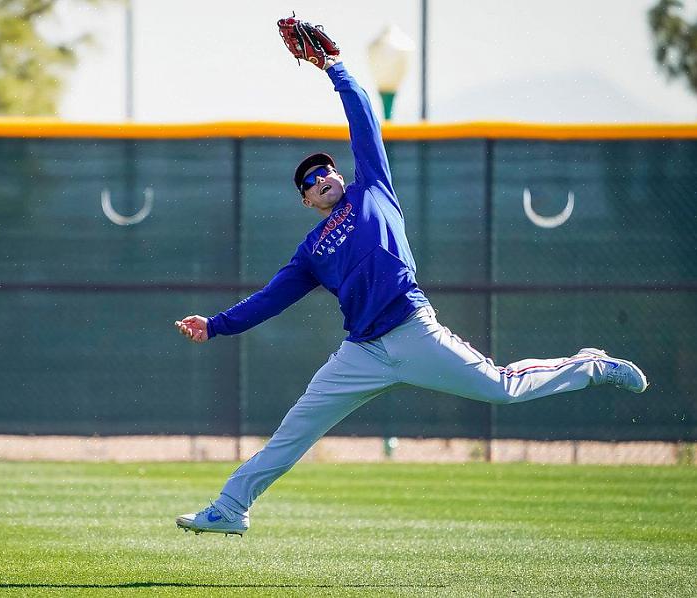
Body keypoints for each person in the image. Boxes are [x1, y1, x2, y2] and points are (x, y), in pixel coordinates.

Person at [172, 20, 648, 537]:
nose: (321, 178)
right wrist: (215, 325)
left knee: (502, 389)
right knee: (294, 431)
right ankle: (231, 507)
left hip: (413, 330)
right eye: (310, 180)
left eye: (326, 170)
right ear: (306, 201)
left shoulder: (371, 188)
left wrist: (335, 68)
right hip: (362, 353)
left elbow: (363, 124)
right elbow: (268, 300)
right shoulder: (309, 252)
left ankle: (589, 366)